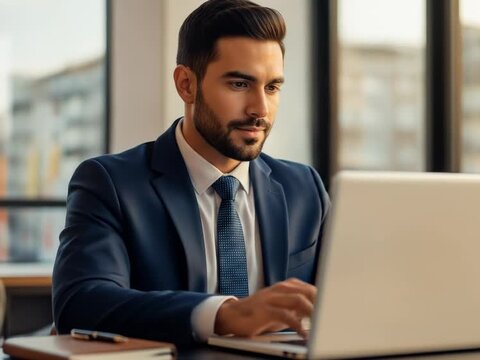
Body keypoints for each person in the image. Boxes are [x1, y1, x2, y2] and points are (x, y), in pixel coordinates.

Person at [52, 0, 329, 346]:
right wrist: (226, 315)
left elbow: (348, 301)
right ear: (186, 84)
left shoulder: (305, 189)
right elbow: (80, 303)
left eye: (272, 87)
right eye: (240, 84)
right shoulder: (111, 184)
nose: (260, 109)